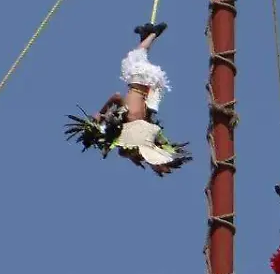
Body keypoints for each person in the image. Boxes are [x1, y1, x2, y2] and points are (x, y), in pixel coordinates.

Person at [65, 23, 191, 175]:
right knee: (137, 54)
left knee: (139, 53)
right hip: (141, 79)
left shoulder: (143, 122)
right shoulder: (132, 117)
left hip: (146, 85)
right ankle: (153, 34)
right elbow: (116, 97)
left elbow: (127, 149)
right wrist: (100, 113)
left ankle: (145, 35)